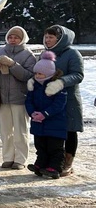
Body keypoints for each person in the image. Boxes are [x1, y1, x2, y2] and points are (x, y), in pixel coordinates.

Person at [0, 26, 36, 170]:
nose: (13, 40)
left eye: (16, 37)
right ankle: (7, 158)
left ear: (22, 39)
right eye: (11, 37)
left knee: (20, 130)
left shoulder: (27, 54)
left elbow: (28, 76)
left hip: (20, 97)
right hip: (1, 98)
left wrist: (13, 65)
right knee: (5, 130)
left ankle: (20, 159)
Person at [42, 25, 84, 176]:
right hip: (50, 99)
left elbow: (78, 75)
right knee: (53, 131)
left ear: (60, 39)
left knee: (70, 130)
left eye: (51, 37)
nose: (48, 40)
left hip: (69, 99)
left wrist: (61, 81)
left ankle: (68, 161)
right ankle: (52, 161)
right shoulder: (45, 53)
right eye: (46, 37)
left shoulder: (72, 53)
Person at [26, 52, 68, 179]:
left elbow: (59, 104)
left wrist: (45, 114)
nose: (37, 76)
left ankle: (55, 167)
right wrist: (32, 112)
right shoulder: (34, 85)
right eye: (36, 73)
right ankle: (41, 164)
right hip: (38, 122)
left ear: (49, 73)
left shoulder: (57, 87)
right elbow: (28, 101)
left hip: (55, 123)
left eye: (40, 73)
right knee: (41, 145)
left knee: (55, 147)